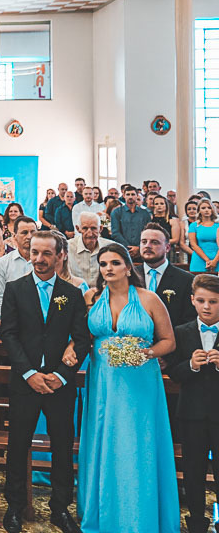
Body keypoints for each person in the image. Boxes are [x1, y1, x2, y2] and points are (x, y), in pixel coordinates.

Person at [74, 244, 178, 533]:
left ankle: (139, 517)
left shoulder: (149, 299)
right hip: (103, 381)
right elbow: (79, 335)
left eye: (115, 263)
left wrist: (144, 354)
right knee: (104, 438)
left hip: (139, 382)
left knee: (137, 441)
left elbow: (168, 341)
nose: (108, 268)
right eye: (104, 263)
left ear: (128, 267)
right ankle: (103, 513)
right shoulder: (90, 298)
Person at [0, 231, 91, 533]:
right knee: (18, 444)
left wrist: (62, 377)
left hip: (59, 385)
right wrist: (29, 373)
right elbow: (8, 335)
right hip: (25, 382)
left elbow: (81, 339)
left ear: (60, 255)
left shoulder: (72, 293)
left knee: (62, 447)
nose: (39, 259)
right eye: (34, 253)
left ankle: (60, 509)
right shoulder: (15, 289)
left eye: (46, 253)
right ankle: (14, 507)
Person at [166, 273, 219, 533]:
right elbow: (174, 371)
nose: (207, 306)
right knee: (193, 471)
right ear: (192, 301)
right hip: (191, 414)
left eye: (214, 301)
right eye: (201, 301)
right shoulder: (182, 332)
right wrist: (190, 366)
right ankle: (197, 522)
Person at [136, 223, 196, 327]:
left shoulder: (186, 280)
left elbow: (188, 320)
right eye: (144, 242)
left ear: (167, 247)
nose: (147, 246)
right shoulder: (129, 276)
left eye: (154, 242)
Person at [0, 217, 37, 316]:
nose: (29, 236)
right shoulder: (3, 263)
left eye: (33, 232)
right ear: (14, 236)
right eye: (24, 232)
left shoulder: (45, 262)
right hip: (12, 318)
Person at [67, 212, 115, 286]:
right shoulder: (67, 248)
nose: (90, 234)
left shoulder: (111, 247)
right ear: (78, 229)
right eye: (85, 228)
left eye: (93, 228)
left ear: (100, 229)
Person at [110, 186, 152, 259]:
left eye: (133, 194)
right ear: (123, 196)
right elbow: (115, 233)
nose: (130, 197)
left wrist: (138, 247)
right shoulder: (116, 212)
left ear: (137, 196)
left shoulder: (145, 213)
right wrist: (128, 248)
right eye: (128, 194)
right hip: (122, 249)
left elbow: (148, 232)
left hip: (141, 250)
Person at [189, 198, 219, 273]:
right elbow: (193, 245)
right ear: (199, 210)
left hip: (217, 258)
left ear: (212, 210)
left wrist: (215, 261)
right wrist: (207, 260)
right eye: (203, 208)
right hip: (199, 258)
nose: (206, 210)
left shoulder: (218, 225)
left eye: (209, 208)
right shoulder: (194, 225)